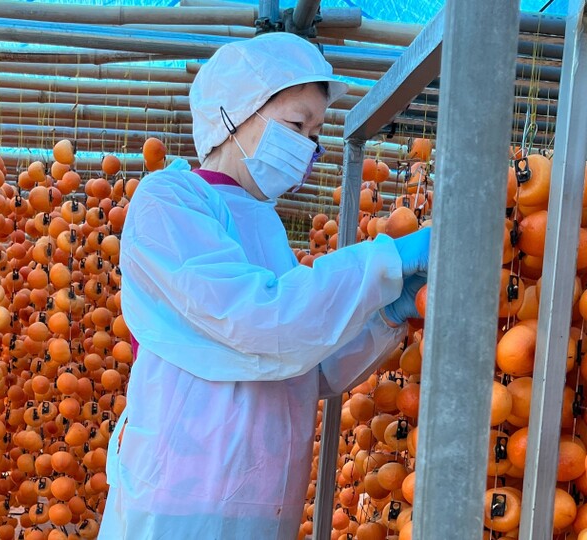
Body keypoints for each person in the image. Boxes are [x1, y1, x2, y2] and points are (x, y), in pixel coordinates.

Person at [98, 32, 430, 540]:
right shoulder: (169, 201)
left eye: (316, 132)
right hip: (181, 497)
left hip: (260, 501)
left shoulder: (265, 225)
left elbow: (298, 366)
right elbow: (259, 320)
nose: (310, 145)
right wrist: (386, 259)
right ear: (234, 114)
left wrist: (384, 318)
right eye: (297, 124)